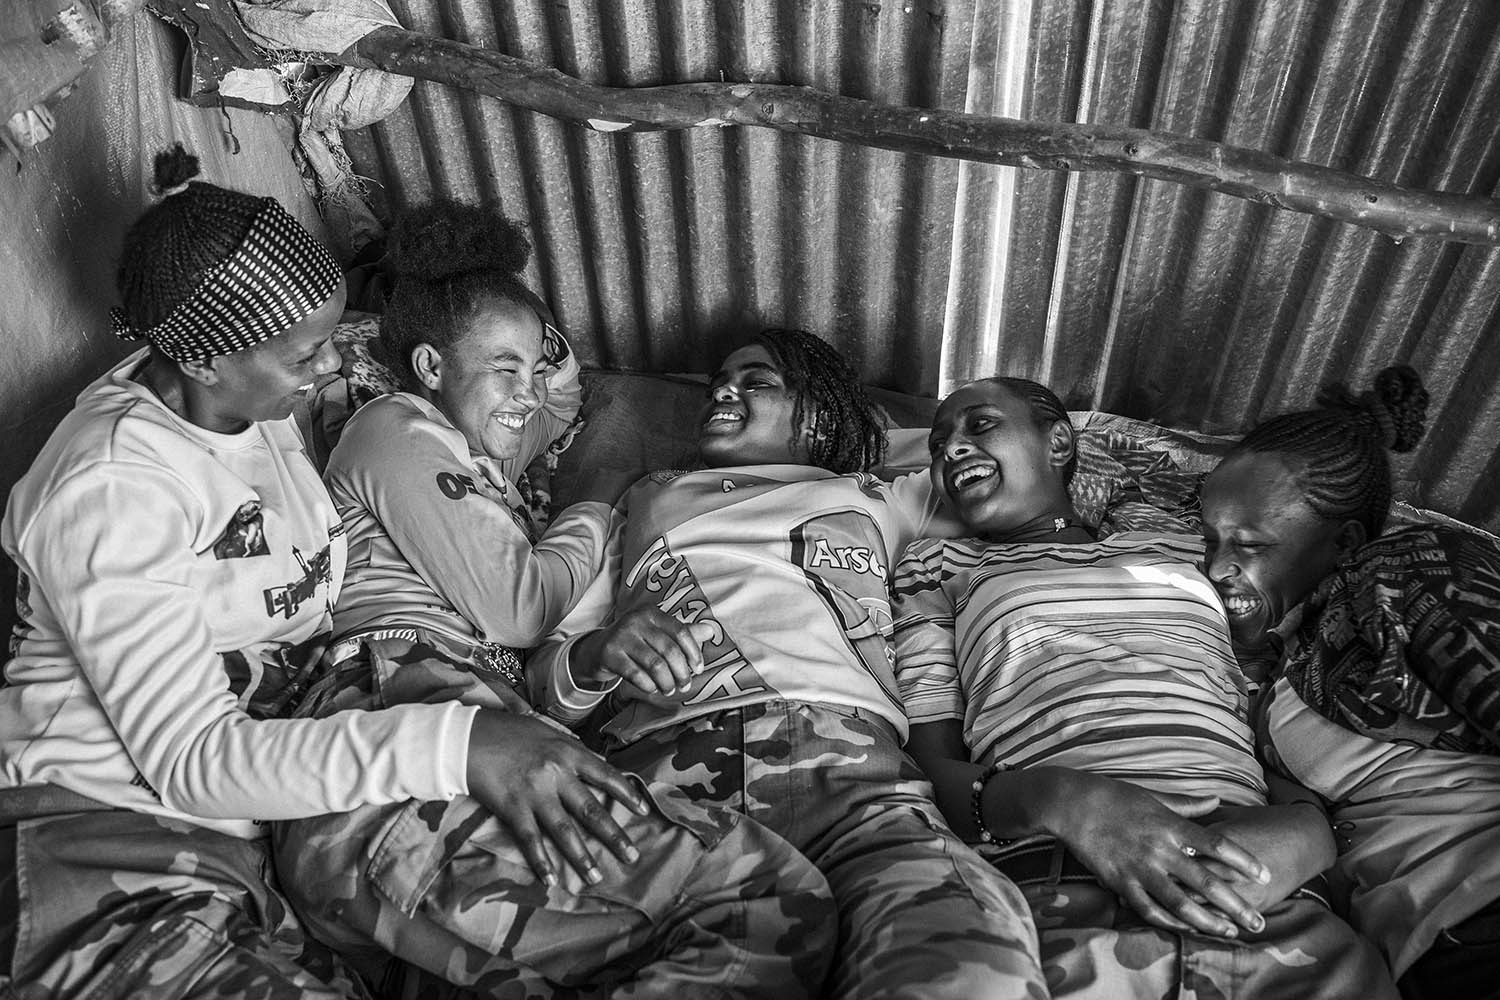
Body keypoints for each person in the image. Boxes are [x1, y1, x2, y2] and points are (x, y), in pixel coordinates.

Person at [273, 204, 836, 998]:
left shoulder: (480, 463)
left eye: (532, 367)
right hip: (398, 710)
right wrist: (595, 508)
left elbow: (565, 401)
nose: (526, 391)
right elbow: (521, 608)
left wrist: (530, 343)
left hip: (448, 752)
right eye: (503, 368)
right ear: (431, 366)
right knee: (767, 898)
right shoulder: (397, 425)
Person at [529, 329, 1047, 1000]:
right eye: (721, 378)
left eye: (756, 382)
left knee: (972, 958)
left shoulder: (875, 497)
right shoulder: (644, 500)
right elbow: (545, 681)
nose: (723, 389)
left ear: (820, 415)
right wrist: (600, 654)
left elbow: (982, 453)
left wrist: (857, 436)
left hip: (859, 783)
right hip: (675, 781)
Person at [0, 145, 373, 997]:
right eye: (308, 353)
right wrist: (458, 750)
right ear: (206, 359)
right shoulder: (113, 485)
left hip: (226, 846)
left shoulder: (253, 409)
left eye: (331, 338)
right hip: (100, 846)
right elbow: (195, 758)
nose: (333, 369)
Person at [891, 375, 1396, 999]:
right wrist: (1066, 801)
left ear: (1059, 443)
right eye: (938, 443)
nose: (951, 450)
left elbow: (1254, 715)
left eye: (981, 425)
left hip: (1268, 898)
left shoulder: (1193, 548)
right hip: (1061, 897)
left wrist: (1311, 829)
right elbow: (924, 768)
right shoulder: (939, 567)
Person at [1200, 364, 1500, 997]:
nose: (1216, 566)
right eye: (1210, 541)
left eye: (1249, 544)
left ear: (1347, 543)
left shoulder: (1414, 576)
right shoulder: (1285, 660)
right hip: (1416, 951)